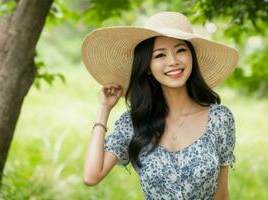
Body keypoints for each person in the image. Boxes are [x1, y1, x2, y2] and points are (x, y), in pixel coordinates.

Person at [82, 11, 238, 199]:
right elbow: (91, 176)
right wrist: (104, 109)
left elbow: (221, 194)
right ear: (147, 66)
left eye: (181, 50)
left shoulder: (219, 118)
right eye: (159, 55)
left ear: (192, 57)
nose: (173, 61)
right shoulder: (134, 122)